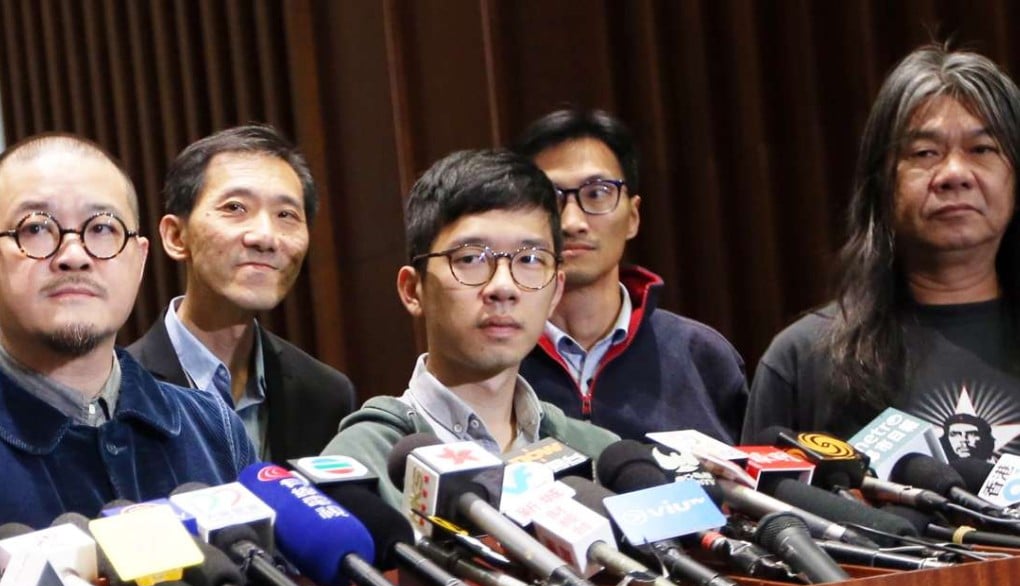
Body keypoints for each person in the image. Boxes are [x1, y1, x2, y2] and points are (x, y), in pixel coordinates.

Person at [742, 45, 1020, 462]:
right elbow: (758, 519)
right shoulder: (803, 359)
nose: (955, 174)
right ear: (881, 185)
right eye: (925, 153)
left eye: (982, 149)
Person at [322, 149, 619, 507]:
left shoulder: (599, 454)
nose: (503, 287)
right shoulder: (364, 463)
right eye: (471, 259)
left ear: (555, 290)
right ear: (412, 290)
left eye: (529, 260)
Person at [0, 133, 254, 527]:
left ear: (138, 261)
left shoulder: (212, 429)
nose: (73, 256)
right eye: (35, 229)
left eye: (102, 228)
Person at [512, 108, 748, 443]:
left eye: (596, 193)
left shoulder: (702, 356)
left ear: (633, 216)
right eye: (551, 198)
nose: (572, 222)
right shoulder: (495, 359)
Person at [128, 124, 356, 462]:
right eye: (235, 208)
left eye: (286, 215)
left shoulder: (325, 394)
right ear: (176, 236)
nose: (265, 236)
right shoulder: (122, 389)